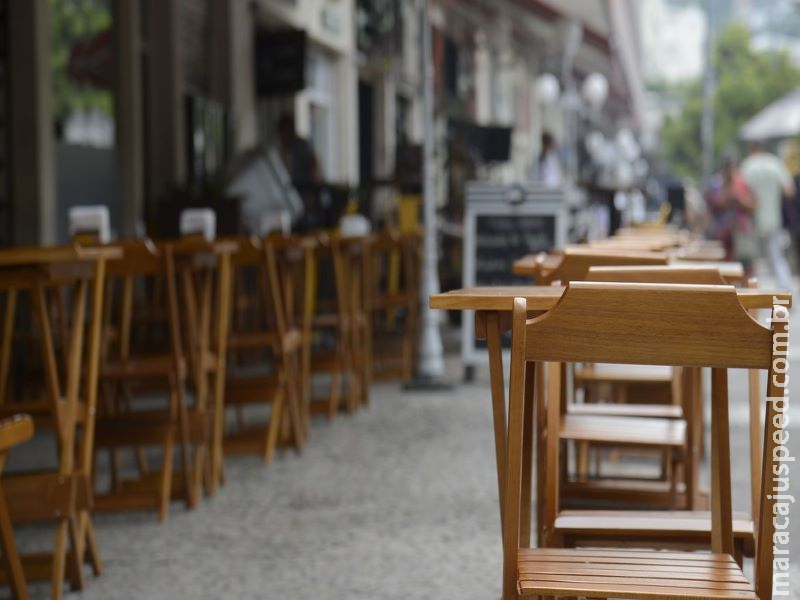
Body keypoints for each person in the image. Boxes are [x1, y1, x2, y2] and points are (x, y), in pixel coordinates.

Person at [740, 141, 796, 290]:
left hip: (754, 221)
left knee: (755, 262)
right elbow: (789, 190)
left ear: (751, 148)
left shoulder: (748, 166)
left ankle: (755, 300)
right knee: (777, 259)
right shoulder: (774, 163)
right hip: (773, 219)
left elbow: (741, 193)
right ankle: (785, 296)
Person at [705, 155, 757, 274]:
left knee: (746, 267)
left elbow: (753, 205)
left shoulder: (742, 183)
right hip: (722, 235)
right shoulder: (716, 184)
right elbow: (710, 207)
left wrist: (739, 199)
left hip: (741, 233)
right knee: (724, 270)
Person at [276, 112, 321, 185]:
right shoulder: (285, 150)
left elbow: (313, 161)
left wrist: (311, 184)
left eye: (283, 134)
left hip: (304, 187)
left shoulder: (301, 145)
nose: (282, 139)